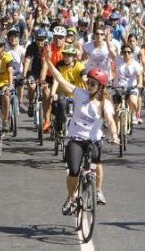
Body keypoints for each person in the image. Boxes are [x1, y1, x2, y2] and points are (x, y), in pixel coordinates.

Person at [44, 52, 118, 214]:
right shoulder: (79, 94)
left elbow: (111, 121)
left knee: (96, 163)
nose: (89, 86)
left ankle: (97, 190)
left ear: (101, 86)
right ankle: (71, 198)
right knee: (74, 171)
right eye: (89, 82)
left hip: (93, 141)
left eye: (93, 84)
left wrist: (115, 135)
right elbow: (60, 79)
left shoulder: (104, 103)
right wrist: (48, 61)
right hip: (76, 139)